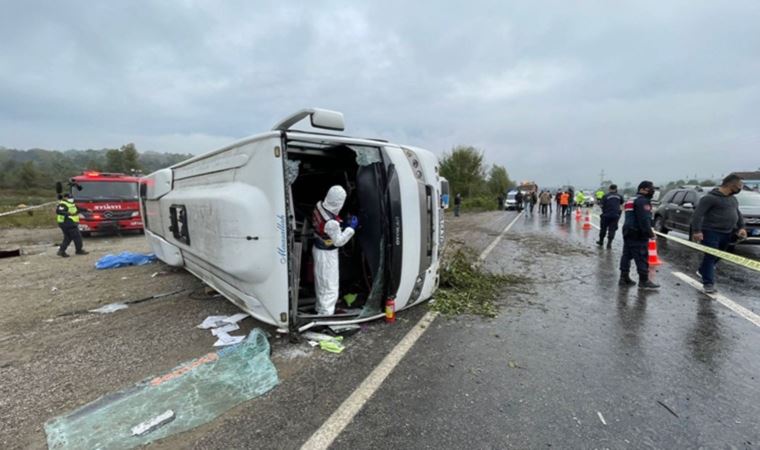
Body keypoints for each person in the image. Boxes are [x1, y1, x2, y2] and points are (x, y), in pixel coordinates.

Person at [691, 174, 747, 294]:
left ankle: (702, 270)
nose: (740, 188)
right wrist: (697, 231)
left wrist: (741, 227)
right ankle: (708, 283)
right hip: (711, 232)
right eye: (739, 186)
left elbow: (737, 213)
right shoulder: (709, 198)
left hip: (727, 232)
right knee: (711, 256)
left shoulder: (732, 199)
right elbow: (698, 215)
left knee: (719, 255)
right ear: (730, 185)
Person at [312, 185, 358, 315]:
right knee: (330, 286)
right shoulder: (332, 223)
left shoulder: (319, 205)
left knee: (321, 283)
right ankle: (326, 316)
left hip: (318, 248)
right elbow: (339, 242)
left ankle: (320, 309)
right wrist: (351, 228)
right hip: (327, 254)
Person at [619, 181, 659, 289]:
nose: (652, 191)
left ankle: (624, 278)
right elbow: (644, 219)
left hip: (628, 230)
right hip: (637, 232)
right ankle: (644, 281)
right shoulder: (643, 201)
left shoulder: (631, 199)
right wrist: (650, 234)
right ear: (642, 189)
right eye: (650, 189)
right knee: (641, 255)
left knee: (626, 255)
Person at [56, 193, 89, 257]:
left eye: (71, 197)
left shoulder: (71, 204)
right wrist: (68, 213)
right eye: (69, 197)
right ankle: (79, 250)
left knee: (68, 237)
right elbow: (58, 211)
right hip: (67, 222)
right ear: (65, 197)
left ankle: (61, 251)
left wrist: (86, 210)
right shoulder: (63, 204)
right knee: (77, 237)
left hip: (68, 223)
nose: (71, 199)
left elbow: (78, 208)